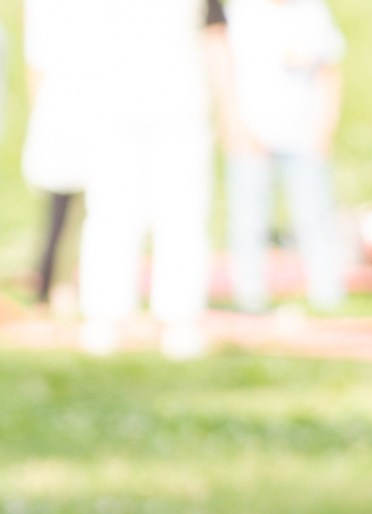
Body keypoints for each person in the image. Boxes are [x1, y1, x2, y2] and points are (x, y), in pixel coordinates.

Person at [78, 0, 238, 359]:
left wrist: (229, 105)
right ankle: (104, 316)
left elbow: (215, 34)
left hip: (182, 108)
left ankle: (180, 319)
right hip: (112, 108)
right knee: (111, 213)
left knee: (183, 215)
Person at [224, 0, 348, 315]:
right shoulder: (241, 11)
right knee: (249, 219)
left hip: (303, 136)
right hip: (252, 136)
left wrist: (324, 128)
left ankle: (327, 293)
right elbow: (224, 70)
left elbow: (329, 72)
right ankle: (249, 296)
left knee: (315, 216)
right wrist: (235, 124)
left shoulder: (312, 12)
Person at [20, 0, 101, 312]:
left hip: (74, 107)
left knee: (77, 210)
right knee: (65, 210)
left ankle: (62, 283)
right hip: (66, 109)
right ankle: (55, 284)